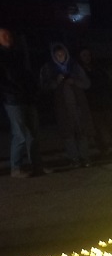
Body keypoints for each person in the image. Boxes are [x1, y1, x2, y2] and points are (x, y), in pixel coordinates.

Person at [0, 27, 47, 177]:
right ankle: (16, 168)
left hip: (27, 98)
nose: (8, 37)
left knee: (33, 133)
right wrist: (12, 91)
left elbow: (27, 74)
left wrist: (33, 91)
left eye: (9, 35)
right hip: (13, 100)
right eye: (4, 35)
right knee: (19, 133)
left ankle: (37, 166)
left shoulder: (18, 53)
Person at [40, 43, 95, 167]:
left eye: (62, 54)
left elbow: (87, 83)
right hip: (62, 107)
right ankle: (74, 158)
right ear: (53, 56)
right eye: (57, 55)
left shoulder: (75, 66)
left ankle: (85, 157)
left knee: (82, 131)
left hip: (78, 105)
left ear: (66, 54)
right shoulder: (48, 68)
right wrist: (56, 82)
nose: (60, 56)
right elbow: (44, 87)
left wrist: (74, 81)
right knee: (68, 133)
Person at [78, 47, 112, 156]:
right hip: (91, 103)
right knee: (96, 128)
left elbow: (106, 81)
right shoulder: (79, 71)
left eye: (88, 55)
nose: (87, 58)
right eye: (84, 55)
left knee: (111, 124)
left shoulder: (97, 68)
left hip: (103, 101)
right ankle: (102, 148)